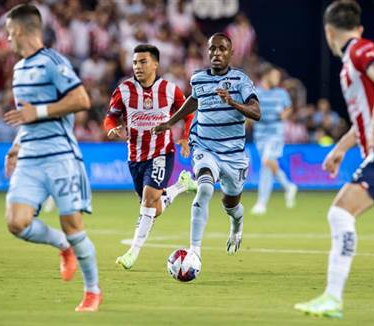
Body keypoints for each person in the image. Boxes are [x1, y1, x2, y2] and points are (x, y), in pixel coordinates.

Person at [294, 0, 374, 319]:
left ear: (328, 32)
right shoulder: (352, 60)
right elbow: (362, 121)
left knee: (339, 214)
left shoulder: (358, 50)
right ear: (358, 26)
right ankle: (331, 299)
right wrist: (340, 148)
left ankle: (332, 299)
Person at [3, 4, 101, 312]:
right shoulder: (18, 70)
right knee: (16, 223)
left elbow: (81, 100)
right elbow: (26, 115)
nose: (6, 39)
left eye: (8, 33)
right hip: (30, 157)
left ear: (20, 30)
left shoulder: (53, 62)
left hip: (60, 156)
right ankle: (62, 246)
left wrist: (40, 111)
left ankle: (92, 292)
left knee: (73, 224)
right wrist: (17, 146)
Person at [155, 33, 261, 259]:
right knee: (204, 189)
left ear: (231, 53)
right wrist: (171, 122)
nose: (216, 53)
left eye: (222, 49)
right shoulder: (198, 78)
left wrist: (232, 102)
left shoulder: (240, 80)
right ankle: (194, 252)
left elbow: (256, 112)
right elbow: (193, 100)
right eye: (213, 49)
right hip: (206, 148)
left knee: (231, 205)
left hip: (234, 155)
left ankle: (236, 222)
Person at [104, 44, 196, 270]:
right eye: (135, 62)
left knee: (147, 199)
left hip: (161, 153)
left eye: (143, 62)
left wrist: (184, 137)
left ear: (155, 64)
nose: (138, 66)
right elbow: (111, 117)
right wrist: (111, 128)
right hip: (135, 157)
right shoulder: (123, 90)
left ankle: (132, 252)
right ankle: (180, 187)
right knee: (154, 208)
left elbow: (188, 112)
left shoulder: (169, 90)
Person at [251, 63, 297, 214]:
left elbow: (288, 108)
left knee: (266, 162)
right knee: (269, 164)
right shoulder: (255, 92)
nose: (278, 78)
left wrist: (284, 114)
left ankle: (261, 204)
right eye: (275, 76)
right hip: (260, 135)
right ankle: (288, 186)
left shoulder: (281, 93)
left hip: (275, 134)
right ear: (266, 76)